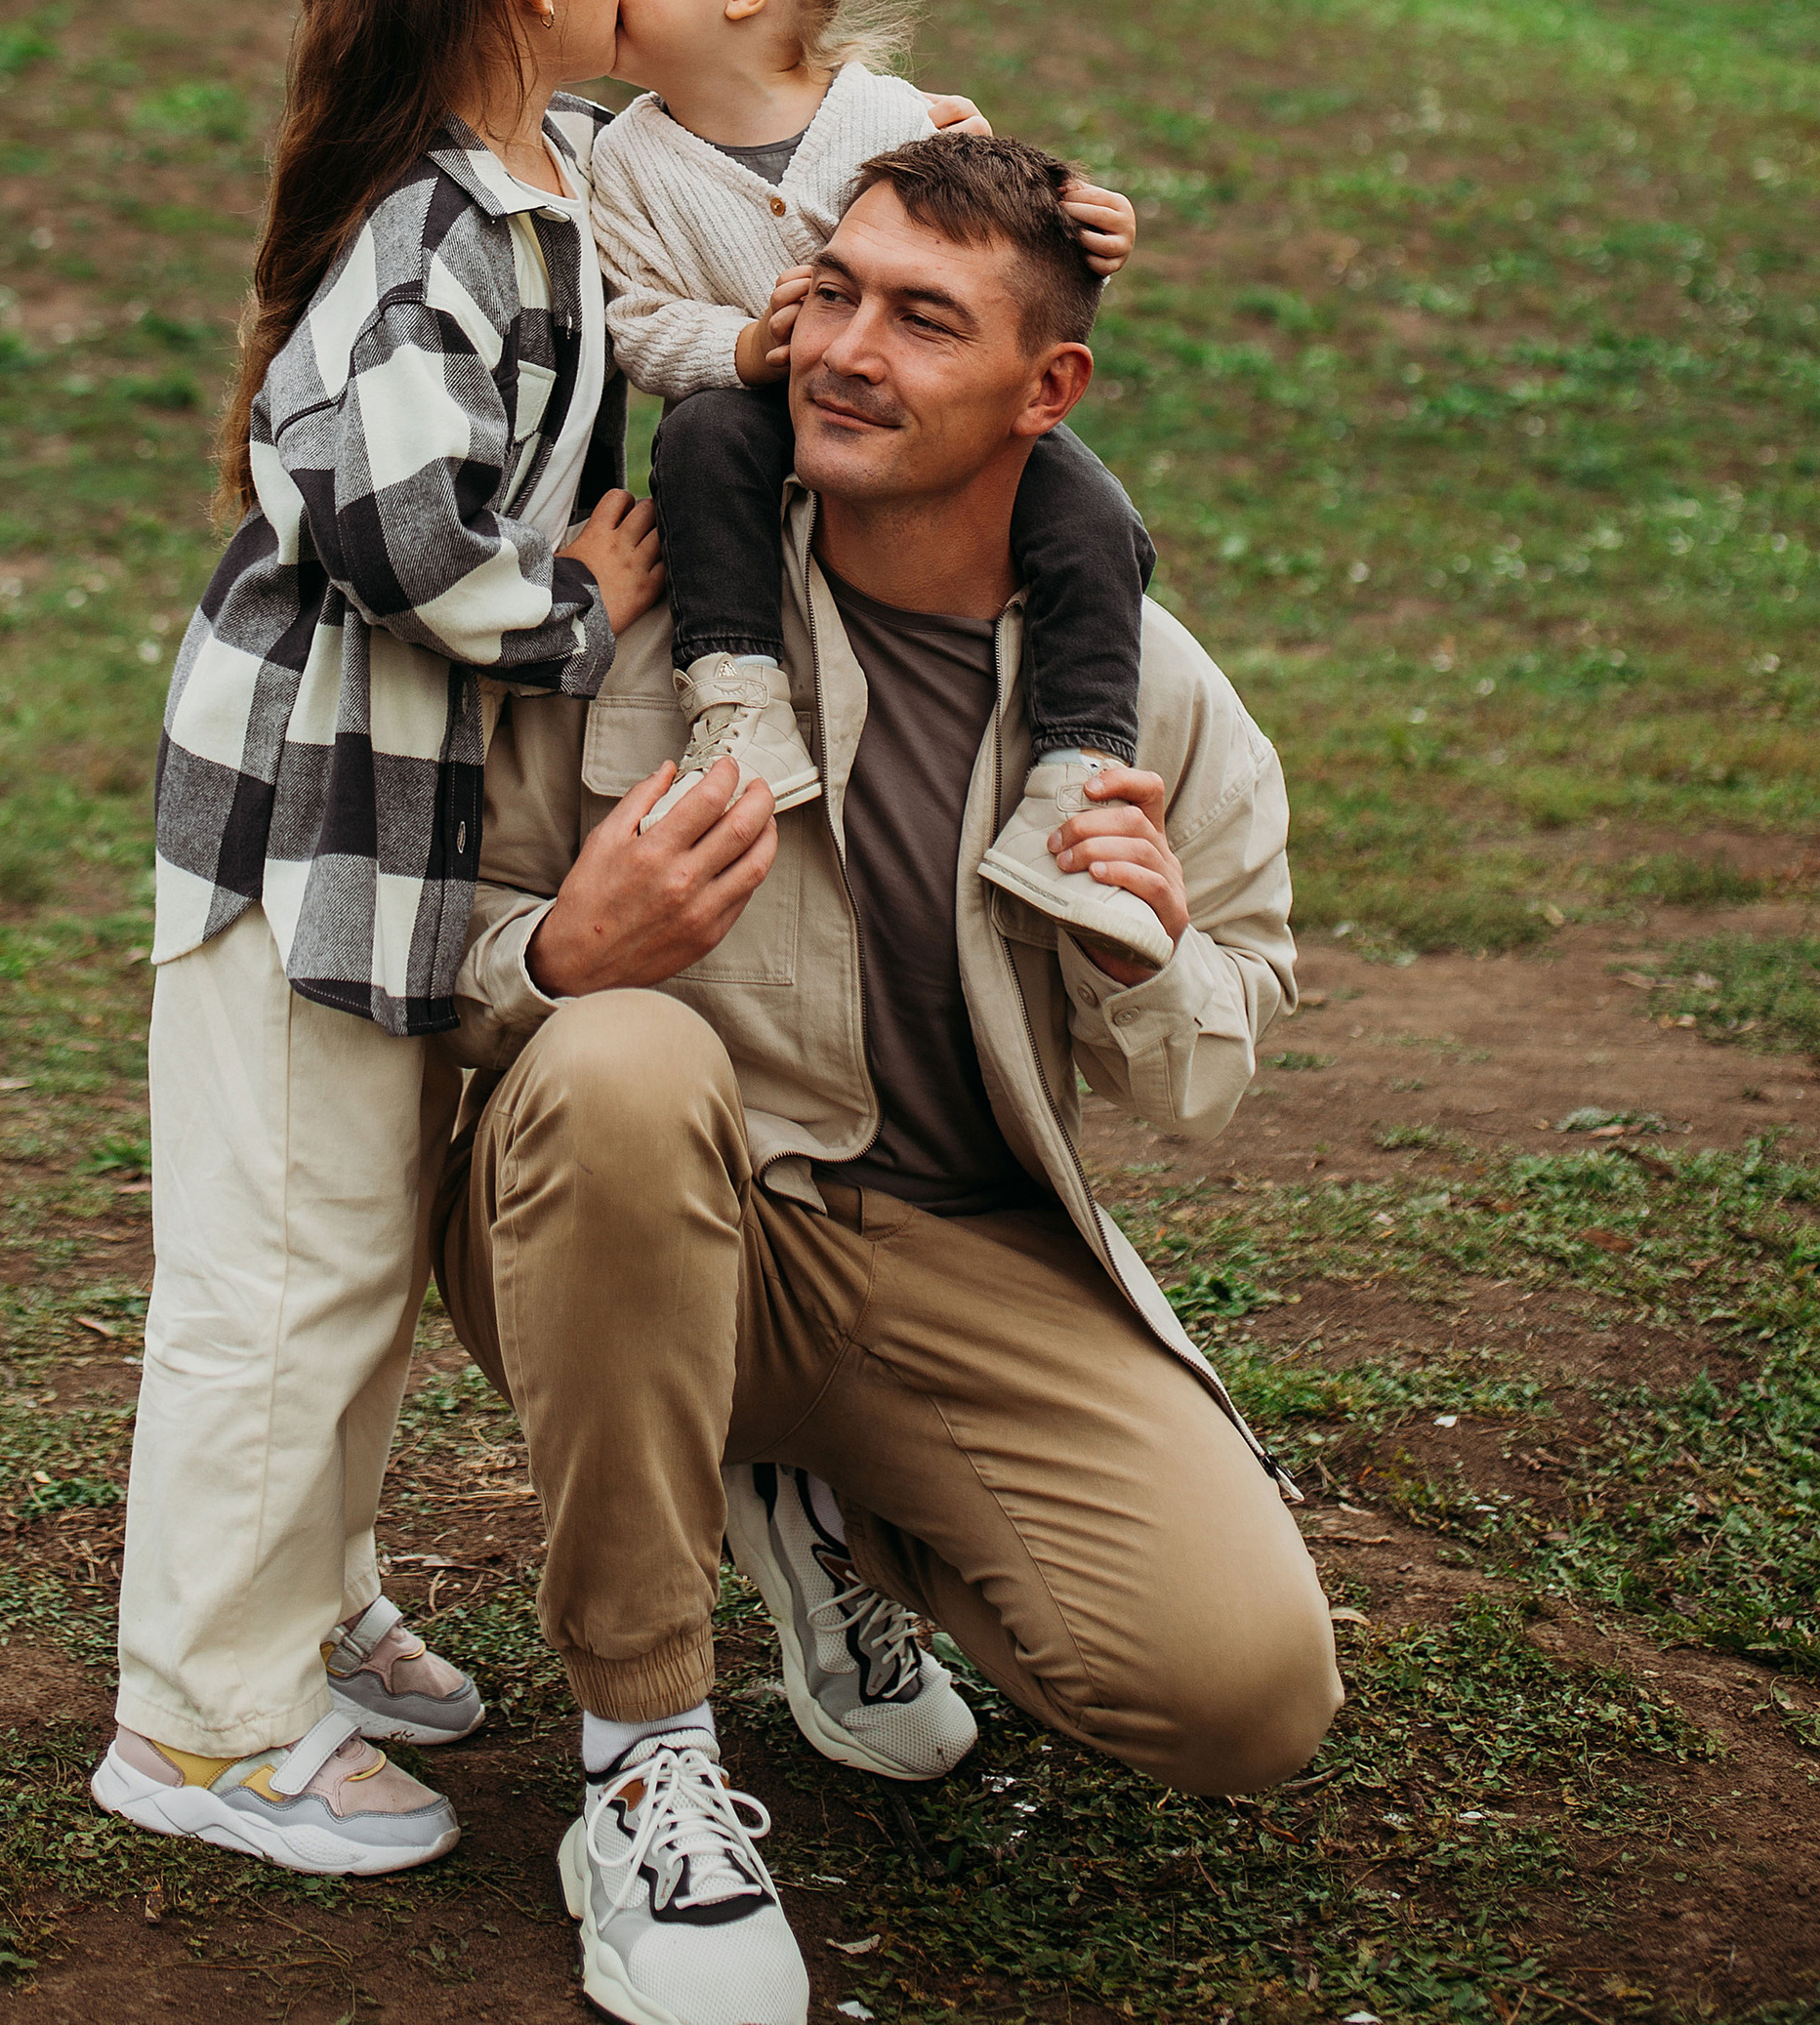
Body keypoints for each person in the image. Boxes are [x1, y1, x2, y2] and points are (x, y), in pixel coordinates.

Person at [439, 132, 1342, 2025]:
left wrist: (1143, 958)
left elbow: (1210, 1054)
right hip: (649, 1217)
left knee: (1242, 1690)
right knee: (618, 1063)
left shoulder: (1149, 696)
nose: (842, 349)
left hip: (963, 1257)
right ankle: (642, 1760)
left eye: (921, 320)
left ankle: (823, 1509)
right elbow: (418, 934)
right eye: (832, 291)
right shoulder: (651, 613)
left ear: (1047, 388)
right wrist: (555, 957)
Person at [91, 0, 664, 1878]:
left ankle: (306, 1607)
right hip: (294, 837)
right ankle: (204, 1719)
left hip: (380, 838)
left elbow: (750, 154)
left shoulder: (542, 173)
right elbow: (382, 510)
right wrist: (575, 608)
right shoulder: (430, 225)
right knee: (271, 1276)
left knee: (343, 1254)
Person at [592, 0, 1168, 968]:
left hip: (921, 429)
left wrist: (1082, 218)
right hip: (754, 415)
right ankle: (739, 705)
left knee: (1090, 517)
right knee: (701, 439)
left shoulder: (892, 115)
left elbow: (994, 237)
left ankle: (1080, 759)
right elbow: (631, 323)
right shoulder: (624, 156)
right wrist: (741, 353)